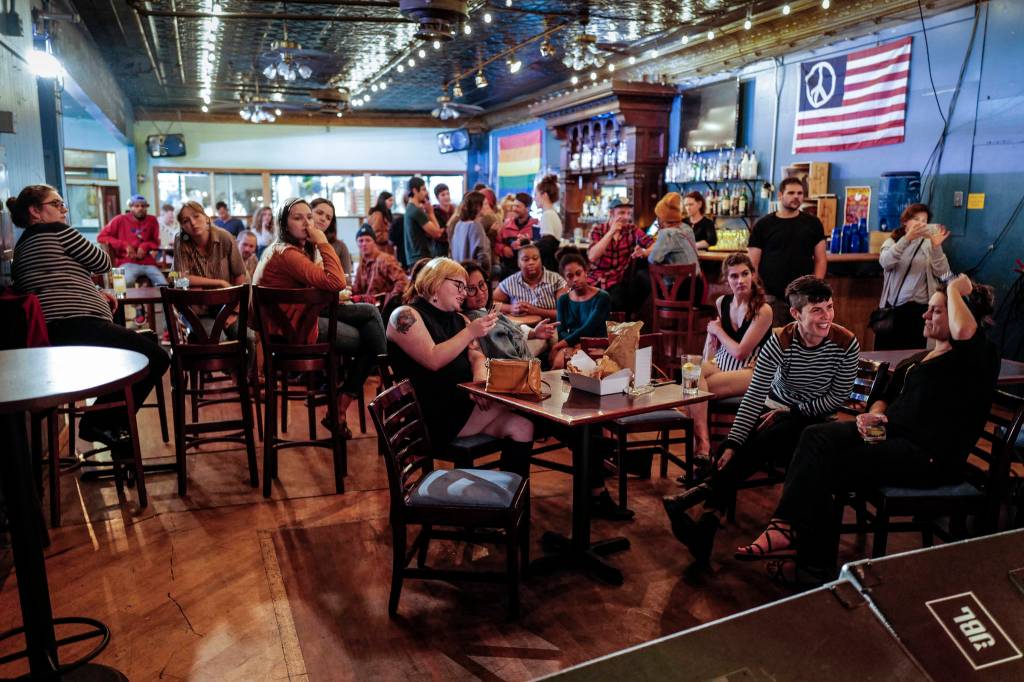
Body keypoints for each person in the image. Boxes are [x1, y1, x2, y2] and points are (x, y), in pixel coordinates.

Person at [737, 275, 998, 582]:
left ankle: (808, 561)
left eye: (936, 311)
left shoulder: (976, 356)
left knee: (828, 466)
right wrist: (873, 414)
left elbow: (966, 330)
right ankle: (787, 530)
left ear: (959, 314)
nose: (925, 315)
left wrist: (955, 287)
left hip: (927, 457)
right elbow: (883, 396)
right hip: (889, 437)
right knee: (814, 436)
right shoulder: (919, 359)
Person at [663, 276, 860, 564]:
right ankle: (706, 526)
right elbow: (754, 396)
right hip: (774, 412)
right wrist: (731, 442)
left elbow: (836, 398)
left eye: (829, 307)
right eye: (817, 310)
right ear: (796, 314)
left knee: (780, 429)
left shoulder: (845, 343)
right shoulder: (780, 340)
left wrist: (792, 411)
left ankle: (699, 502)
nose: (827, 317)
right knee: (733, 450)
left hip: (817, 422)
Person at [9, 185, 169, 448]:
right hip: (76, 327)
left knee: (136, 355)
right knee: (156, 356)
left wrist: (94, 292)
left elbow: (57, 280)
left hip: (52, 334)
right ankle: (101, 422)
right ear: (35, 211)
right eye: (57, 204)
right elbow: (103, 262)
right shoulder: (57, 231)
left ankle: (114, 427)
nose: (64, 210)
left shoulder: (23, 244)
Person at [385, 257, 535, 476]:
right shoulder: (405, 315)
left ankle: (509, 503)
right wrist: (471, 332)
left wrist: (478, 380)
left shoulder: (458, 319)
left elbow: (476, 355)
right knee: (523, 401)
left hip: (464, 406)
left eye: (466, 287)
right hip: (432, 416)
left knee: (523, 426)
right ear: (435, 282)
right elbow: (433, 359)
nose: (464, 292)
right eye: (459, 285)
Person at [254, 199, 386, 438]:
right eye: (298, 218)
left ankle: (343, 404)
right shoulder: (288, 254)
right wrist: (323, 242)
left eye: (309, 217)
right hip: (297, 333)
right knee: (372, 331)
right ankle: (360, 395)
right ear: (284, 223)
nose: (308, 223)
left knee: (371, 318)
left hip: (293, 326)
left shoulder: (282, 249)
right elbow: (337, 283)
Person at [685, 253, 773, 458]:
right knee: (689, 372)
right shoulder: (722, 302)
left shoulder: (763, 309)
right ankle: (703, 442)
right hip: (724, 362)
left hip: (754, 369)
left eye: (745, 274)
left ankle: (702, 447)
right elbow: (715, 347)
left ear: (753, 275)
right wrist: (711, 339)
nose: (740, 280)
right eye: (734, 276)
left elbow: (740, 352)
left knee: (692, 390)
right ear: (727, 280)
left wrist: (717, 331)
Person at [747, 178, 827, 326]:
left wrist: (815, 288)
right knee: (773, 341)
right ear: (779, 195)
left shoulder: (813, 223)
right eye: (791, 193)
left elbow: (821, 259)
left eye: (800, 193)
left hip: (803, 295)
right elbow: (752, 264)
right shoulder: (763, 225)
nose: (796, 196)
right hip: (770, 295)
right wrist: (757, 292)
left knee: (803, 341)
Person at [875, 203, 952, 350]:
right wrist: (907, 239)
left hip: (921, 310)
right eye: (916, 219)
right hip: (894, 310)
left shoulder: (930, 244)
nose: (921, 224)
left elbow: (944, 274)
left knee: (914, 355)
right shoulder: (892, 241)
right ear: (905, 221)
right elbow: (885, 262)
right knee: (889, 355)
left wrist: (937, 247)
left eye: (924, 221)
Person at [461, 261, 557, 361]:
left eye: (481, 285)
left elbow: (509, 328)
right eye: (471, 289)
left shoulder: (484, 311)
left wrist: (534, 332)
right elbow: (511, 362)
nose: (480, 293)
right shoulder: (481, 320)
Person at [587, 197, 654, 312]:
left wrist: (644, 252)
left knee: (619, 299)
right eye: (622, 213)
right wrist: (611, 232)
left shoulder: (631, 230)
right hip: (595, 279)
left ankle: (617, 328)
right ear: (611, 213)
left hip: (617, 279)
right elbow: (592, 256)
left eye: (629, 213)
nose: (626, 217)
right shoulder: (598, 230)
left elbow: (653, 245)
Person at [548, 253, 611, 370]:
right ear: (565, 278)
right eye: (570, 276)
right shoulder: (563, 300)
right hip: (572, 344)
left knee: (579, 365)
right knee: (558, 363)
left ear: (585, 272)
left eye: (578, 273)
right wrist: (574, 344)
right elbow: (561, 331)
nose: (575, 279)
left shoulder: (602, 297)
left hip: (596, 344)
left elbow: (589, 328)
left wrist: (559, 345)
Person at [97, 194, 168, 287]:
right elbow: (101, 237)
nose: (140, 208)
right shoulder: (119, 219)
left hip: (148, 262)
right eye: (136, 206)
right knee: (120, 285)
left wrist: (145, 246)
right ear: (131, 207)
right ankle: (119, 301)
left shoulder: (152, 220)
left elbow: (156, 242)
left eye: (143, 206)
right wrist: (124, 245)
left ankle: (150, 300)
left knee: (163, 285)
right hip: (125, 262)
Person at [174, 201, 248, 289]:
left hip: (226, 296)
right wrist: (219, 283)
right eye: (186, 221)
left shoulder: (224, 237)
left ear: (206, 217)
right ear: (182, 227)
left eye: (196, 216)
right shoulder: (180, 240)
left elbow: (239, 274)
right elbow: (179, 281)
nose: (193, 223)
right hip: (197, 299)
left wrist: (236, 301)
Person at [649, 192, 703, 302]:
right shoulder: (687, 228)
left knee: (643, 277)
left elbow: (653, 259)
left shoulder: (667, 233)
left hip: (679, 292)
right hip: (697, 289)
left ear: (663, 218)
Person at [493, 242, 567, 321]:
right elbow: (490, 304)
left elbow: (565, 313)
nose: (531, 262)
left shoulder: (556, 280)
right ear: (519, 263)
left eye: (535, 258)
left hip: (552, 329)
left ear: (541, 260)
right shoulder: (510, 282)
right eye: (526, 259)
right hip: (519, 330)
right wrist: (511, 308)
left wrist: (536, 311)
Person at [351, 224, 408, 306]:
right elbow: (357, 290)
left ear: (374, 242)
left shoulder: (385, 260)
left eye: (368, 240)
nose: (364, 244)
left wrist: (390, 301)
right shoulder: (361, 266)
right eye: (361, 240)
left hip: (383, 310)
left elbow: (403, 281)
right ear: (357, 243)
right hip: (368, 309)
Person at [402, 176, 444, 267]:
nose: (426, 193)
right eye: (423, 189)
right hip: (421, 259)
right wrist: (431, 212)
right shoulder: (416, 211)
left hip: (415, 258)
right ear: (415, 191)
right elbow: (437, 233)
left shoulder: (410, 208)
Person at [496, 192, 539, 276]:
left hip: (529, 273)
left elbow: (540, 247)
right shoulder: (506, 225)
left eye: (518, 206)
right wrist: (503, 249)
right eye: (514, 206)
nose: (514, 209)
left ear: (527, 208)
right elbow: (497, 243)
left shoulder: (536, 225)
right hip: (508, 272)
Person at [449, 190, 491, 274]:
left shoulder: (459, 224)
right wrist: (486, 273)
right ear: (478, 207)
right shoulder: (475, 225)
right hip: (473, 274)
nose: (488, 206)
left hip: (459, 272)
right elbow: (482, 255)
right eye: (485, 204)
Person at [310, 198, 353, 276]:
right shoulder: (300, 241)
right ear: (309, 212)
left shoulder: (340, 246)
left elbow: (347, 278)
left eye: (328, 218)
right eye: (319, 213)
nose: (323, 219)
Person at [534, 174, 562, 272]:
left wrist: (530, 246)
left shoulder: (548, 215)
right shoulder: (552, 213)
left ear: (544, 195)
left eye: (536, 194)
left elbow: (547, 244)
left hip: (548, 266)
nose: (535, 198)